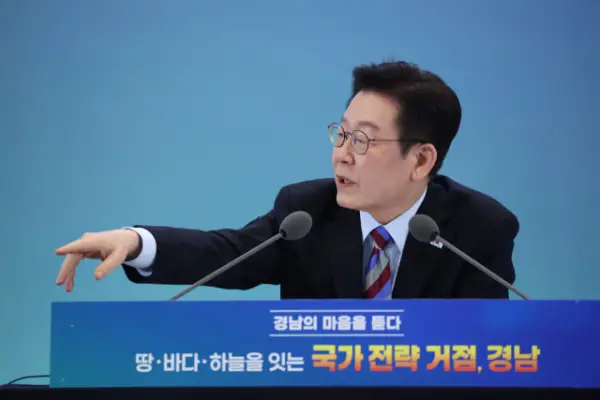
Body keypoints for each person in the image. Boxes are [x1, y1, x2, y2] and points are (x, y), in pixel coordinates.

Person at [55, 60, 519, 299]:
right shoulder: (306, 213)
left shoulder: (478, 228)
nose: (342, 154)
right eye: (341, 133)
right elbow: (227, 254)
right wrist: (135, 241)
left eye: (363, 140)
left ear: (420, 160)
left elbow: (484, 348)